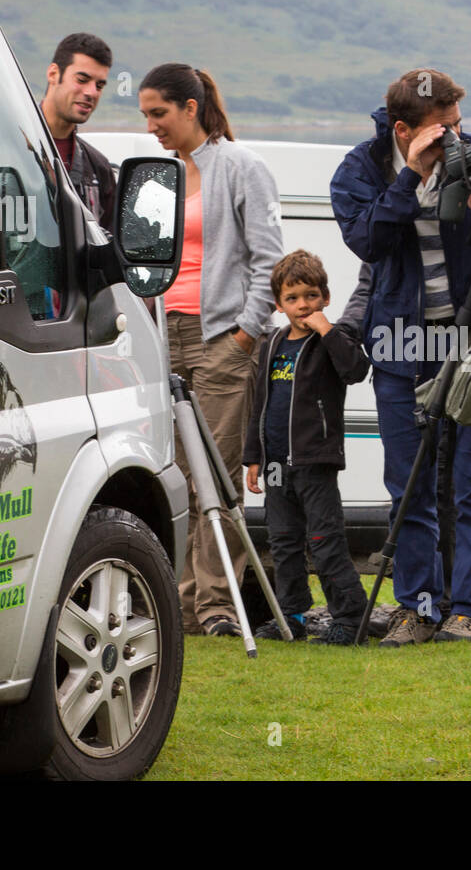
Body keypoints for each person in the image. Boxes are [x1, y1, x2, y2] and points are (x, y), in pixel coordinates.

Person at [331, 68, 471, 646]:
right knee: (408, 484)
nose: (453, 137)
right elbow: (365, 240)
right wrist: (413, 178)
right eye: (441, 129)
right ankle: (417, 606)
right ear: (402, 129)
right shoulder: (361, 168)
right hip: (401, 348)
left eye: (458, 125)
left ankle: (470, 606)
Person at [138, 63, 284, 636]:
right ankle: (179, 599)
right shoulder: (159, 175)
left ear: (191, 108)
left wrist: (245, 332)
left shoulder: (243, 167)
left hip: (219, 337)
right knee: (171, 475)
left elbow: (267, 256)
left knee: (216, 478)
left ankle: (217, 604)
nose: (152, 126)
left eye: (160, 113)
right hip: (161, 336)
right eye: (146, 114)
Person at [244, 250, 370, 645]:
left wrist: (327, 330)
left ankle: (350, 620)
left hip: (316, 460)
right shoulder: (272, 344)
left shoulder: (332, 341)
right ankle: (291, 616)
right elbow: (260, 403)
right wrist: (253, 457)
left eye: (311, 296)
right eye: (293, 298)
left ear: (326, 298)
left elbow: (356, 369)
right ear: (279, 304)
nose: (303, 305)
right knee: (283, 542)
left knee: (325, 541)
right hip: (277, 464)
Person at [40, 32, 116, 230]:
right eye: (82, 80)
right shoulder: (3, 148)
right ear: (53, 74)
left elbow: (109, 249)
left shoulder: (99, 168)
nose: (91, 92)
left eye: (99, 85)